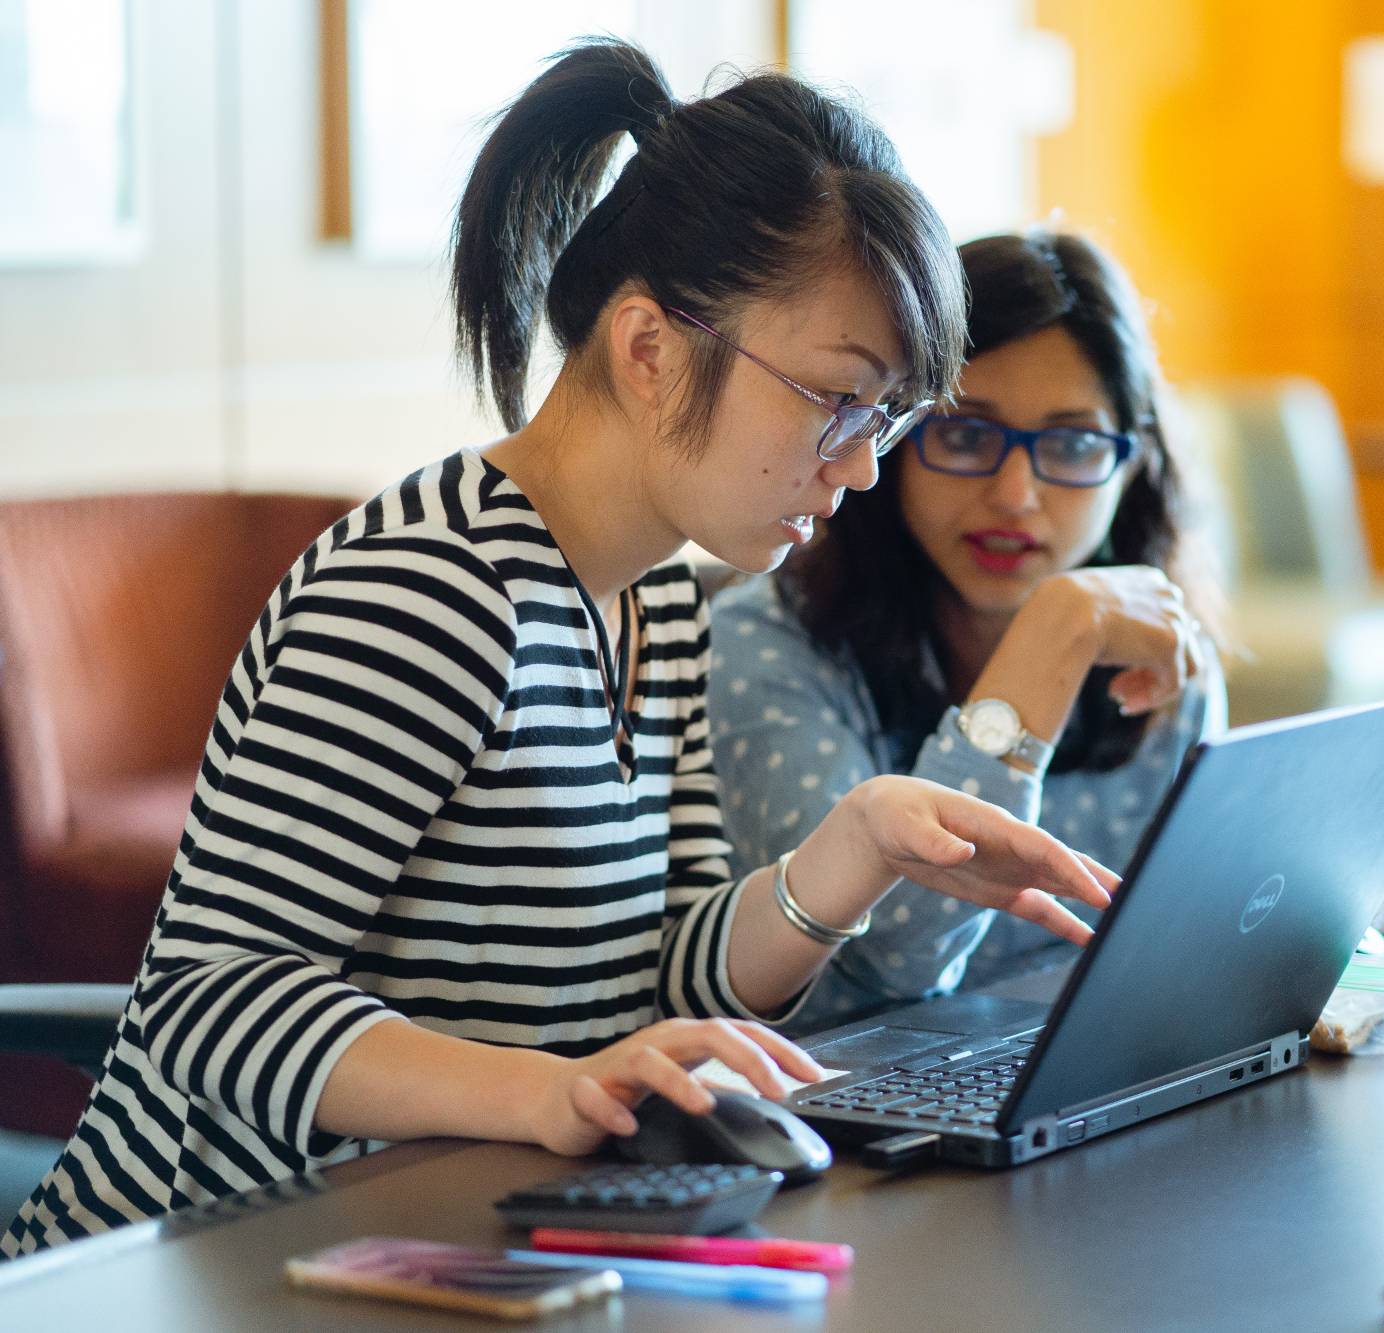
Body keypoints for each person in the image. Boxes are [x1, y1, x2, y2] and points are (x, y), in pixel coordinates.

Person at [3, 42, 1116, 1256]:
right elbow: (208, 1006)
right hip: (206, 1259)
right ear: (648, 349)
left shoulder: (654, 602)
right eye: (836, 401)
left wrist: (849, 853)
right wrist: (542, 1088)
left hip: (441, 1243)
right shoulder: (424, 591)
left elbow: (666, 983)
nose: (858, 467)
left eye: (888, 417)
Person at [710, 231, 1225, 1032]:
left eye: (1073, 443)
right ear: (895, 441)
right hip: (843, 1111)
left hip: (1076, 1075)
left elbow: (1187, 942)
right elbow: (902, 960)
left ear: (1132, 465)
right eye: (966, 434)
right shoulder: (764, 644)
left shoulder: (1154, 644)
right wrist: (1047, 646)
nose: (1016, 494)